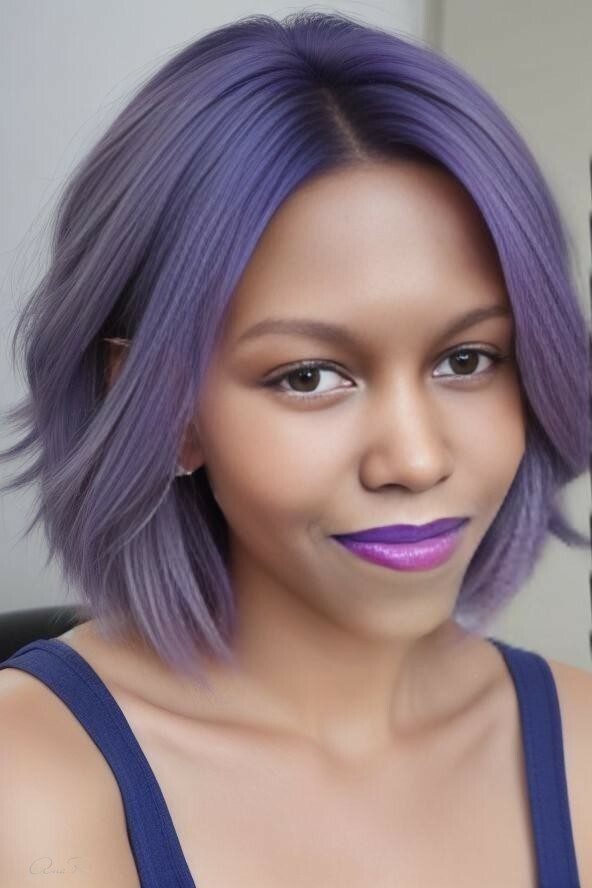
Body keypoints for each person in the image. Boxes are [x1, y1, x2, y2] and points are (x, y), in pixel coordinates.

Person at [0, 11, 590, 888]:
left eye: (467, 360)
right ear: (161, 405)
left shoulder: (582, 748)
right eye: (310, 377)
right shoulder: (30, 785)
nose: (415, 460)